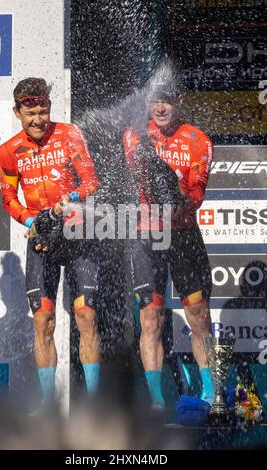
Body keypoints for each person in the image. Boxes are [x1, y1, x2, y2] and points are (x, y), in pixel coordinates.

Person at [0, 77, 101, 402]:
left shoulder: (70, 135)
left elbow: (91, 182)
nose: (39, 120)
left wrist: (69, 198)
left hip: (77, 234)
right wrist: (32, 219)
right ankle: (48, 404)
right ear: (18, 113)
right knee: (43, 321)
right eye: (31, 115)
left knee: (86, 316)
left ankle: (96, 403)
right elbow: (8, 200)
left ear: (50, 108)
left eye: (43, 112)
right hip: (41, 240)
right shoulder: (9, 151)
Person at [123, 81, 214, 409]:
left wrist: (173, 187)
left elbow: (196, 198)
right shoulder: (135, 136)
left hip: (185, 234)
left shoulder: (198, 140)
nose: (160, 108)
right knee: (150, 319)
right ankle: (157, 401)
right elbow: (142, 183)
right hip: (148, 237)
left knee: (199, 315)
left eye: (167, 102)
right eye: (154, 101)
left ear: (180, 101)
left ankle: (211, 392)